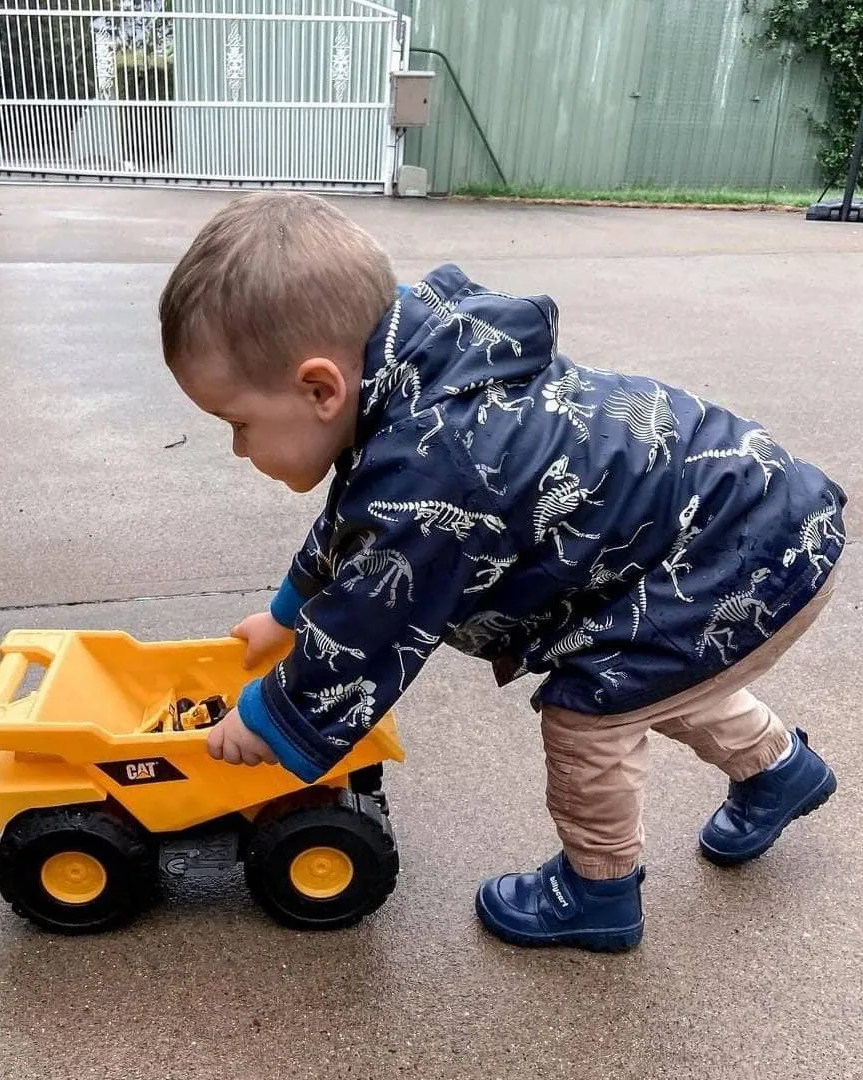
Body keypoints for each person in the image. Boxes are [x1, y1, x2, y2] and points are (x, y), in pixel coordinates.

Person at [157, 192, 847, 951]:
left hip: (742, 552)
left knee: (593, 709)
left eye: (238, 424)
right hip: (744, 522)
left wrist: (272, 719)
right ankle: (778, 770)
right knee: (660, 673)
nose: (235, 448)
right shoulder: (412, 380)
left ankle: (598, 891)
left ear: (321, 389)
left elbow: (370, 622)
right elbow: (362, 521)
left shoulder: (437, 461)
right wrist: (289, 609)